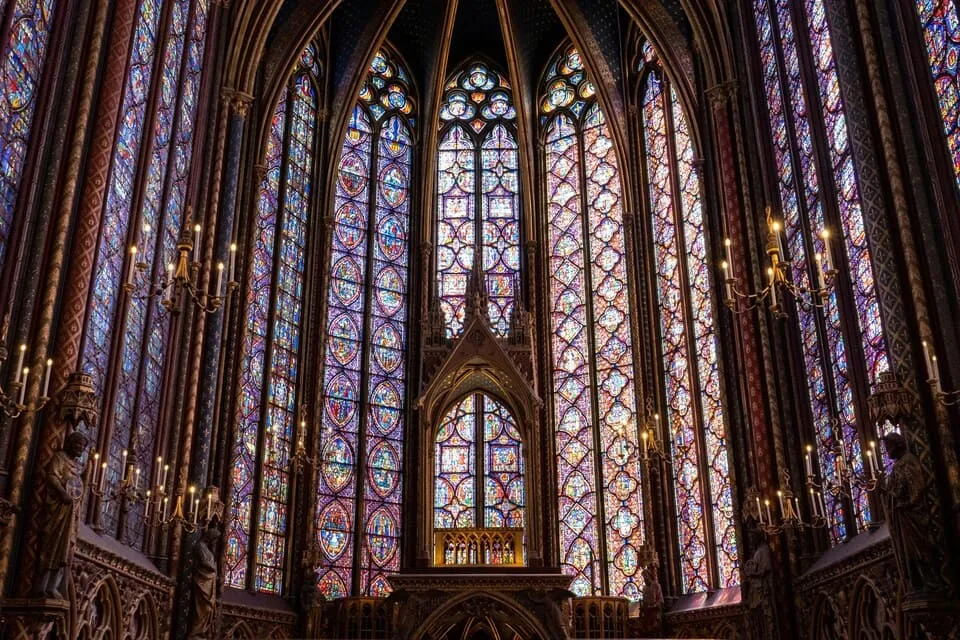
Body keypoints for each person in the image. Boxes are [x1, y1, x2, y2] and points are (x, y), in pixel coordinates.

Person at [882, 432, 945, 596]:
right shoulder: (898, 465)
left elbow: (917, 486)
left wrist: (907, 502)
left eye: (888, 447)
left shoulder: (908, 461)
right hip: (902, 518)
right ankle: (917, 584)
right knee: (908, 553)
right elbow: (896, 489)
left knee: (919, 550)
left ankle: (931, 583)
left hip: (912, 515)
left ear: (897, 445)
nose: (887, 452)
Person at [36, 431, 87, 599]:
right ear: (71, 443)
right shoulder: (59, 458)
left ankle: (54, 585)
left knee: (67, 549)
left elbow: (78, 488)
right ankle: (43, 585)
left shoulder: (77, 466)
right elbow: (51, 476)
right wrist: (62, 492)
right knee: (54, 545)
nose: (80, 448)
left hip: (71, 513)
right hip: (59, 510)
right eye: (78, 444)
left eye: (83, 446)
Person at [187, 526, 220, 639]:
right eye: (214, 539)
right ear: (210, 537)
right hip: (202, 582)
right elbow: (205, 562)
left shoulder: (207, 549)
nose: (215, 542)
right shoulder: (200, 546)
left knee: (209, 609)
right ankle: (196, 633)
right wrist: (214, 568)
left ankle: (202, 633)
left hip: (209, 582)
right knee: (204, 609)